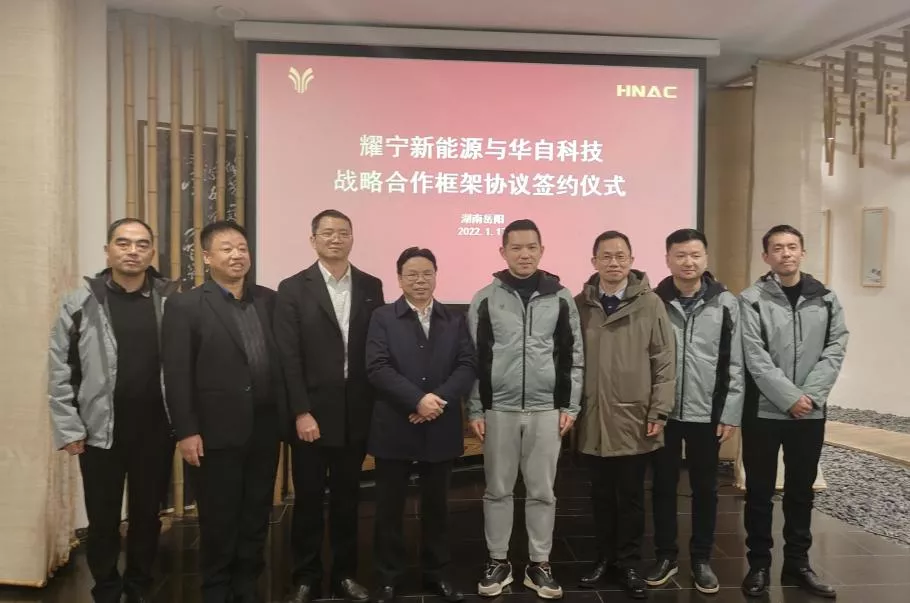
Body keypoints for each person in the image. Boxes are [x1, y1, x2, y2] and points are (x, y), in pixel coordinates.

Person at [48, 218, 177, 603]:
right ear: (108, 251)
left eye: (141, 244)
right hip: (99, 431)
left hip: (156, 430)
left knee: (147, 516)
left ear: (151, 252)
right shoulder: (80, 302)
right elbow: (60, 368)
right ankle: (105, 588)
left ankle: (139, 586)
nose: (132, 251)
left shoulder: (170, 301)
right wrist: (70, 429)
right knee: (103, 518)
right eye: (123, 243)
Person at [161, 220, 286, 603]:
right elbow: (177, 373)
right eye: (227, 249)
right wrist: (186, 431)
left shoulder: (268, 300)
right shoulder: (185, 305)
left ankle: (248, 583)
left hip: (265, 427)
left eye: (242, 248)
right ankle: (216, 588)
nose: (237, 255)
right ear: (206, 256)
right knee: (219, 516)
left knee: (255, 511)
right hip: (214, 431)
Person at [467, 219, 583, 600]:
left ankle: (539, 564)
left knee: (542, 491)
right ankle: (498, 561)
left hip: (546, 409)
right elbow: (474, 359)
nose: (524, 254)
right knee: (497, 490)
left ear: (542, 250)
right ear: (502, 252)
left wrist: (570, 405)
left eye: (531, 247)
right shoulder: (485, 298)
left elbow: (573, 356)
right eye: (516, 247)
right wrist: (476, 409)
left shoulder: (561, 297)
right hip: (498, 409)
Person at [274, 209, 385, 603]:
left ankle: (345, 574)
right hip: (311, 415)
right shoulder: (292, 288)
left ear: (352, 238)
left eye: (343, 232)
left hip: (355, 413)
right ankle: (305, 576)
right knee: (307, 500)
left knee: (347, 499)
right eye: (327, 233)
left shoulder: (371, 285)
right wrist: (300, 411)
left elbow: (376, 348)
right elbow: (287, 357)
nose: (335, 239)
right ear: (313, 240)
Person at [739, 225, 848, 599]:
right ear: (765, 256)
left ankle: (798, 564)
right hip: (763, 411)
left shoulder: (826, 299)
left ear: (802, 252)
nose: (785, 253)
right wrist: (788, 397)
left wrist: (810, 397)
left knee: (801, 491)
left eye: (792, 247)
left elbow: (836, 348)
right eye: (777, 248)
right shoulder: (751, 300)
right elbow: (754, 356)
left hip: (809, 413)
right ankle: (758, 564)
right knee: (759, 491)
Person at [365, 247, 476, 603]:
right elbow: (377, 366)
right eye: (412, 274)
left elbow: (467, 364)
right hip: (395, 422)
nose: (420, 280)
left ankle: (437, 573)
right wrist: (416, 400)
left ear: (436, 276)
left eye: (427, 273)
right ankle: (388, 577)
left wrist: (436, 401)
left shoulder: (453, 319)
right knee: (389, 507)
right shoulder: (383, 317)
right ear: (399, 279)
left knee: (437, 507)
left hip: (439, 423)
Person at [575, 230, 675, 600]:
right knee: (600, 495)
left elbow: (664, 360)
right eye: (606, 256)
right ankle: (604, 558)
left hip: (635, 416)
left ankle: (630, 563)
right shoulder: (580, 305)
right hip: (593, 416)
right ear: (594, 261)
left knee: (631, 496)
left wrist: (659, 409)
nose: (613, 262)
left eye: (620, 256)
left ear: (631, 260)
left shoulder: (650, 304)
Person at [645, 229, 744, 595]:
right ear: (668, 259)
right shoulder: (653, 301)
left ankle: (701, 558)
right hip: (664, 412)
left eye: (695, 254)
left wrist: (730, 412)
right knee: (663, 485)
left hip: (708, 412)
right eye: (680, 255)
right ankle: (666, 556)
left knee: (705, 488)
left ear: (705, 258)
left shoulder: (726, 303)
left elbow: (737, 361)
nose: (688, 262)